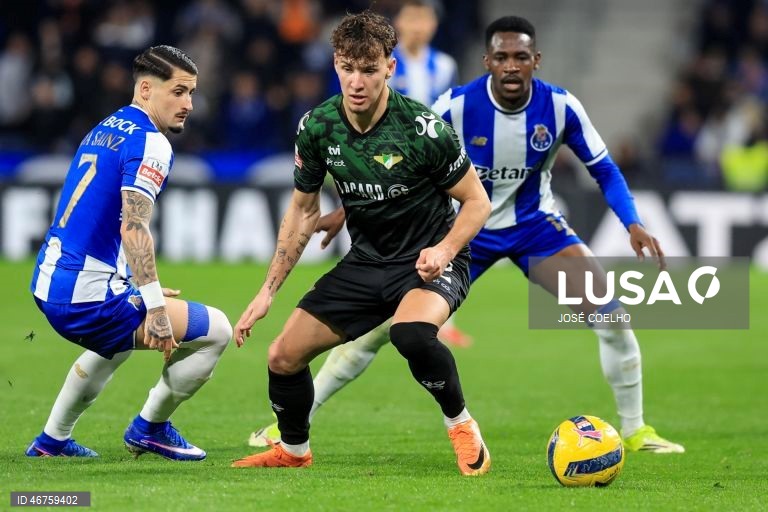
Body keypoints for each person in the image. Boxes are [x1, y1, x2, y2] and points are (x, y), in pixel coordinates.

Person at [250, 15, 685, 455]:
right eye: (501, 57)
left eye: (520, 57)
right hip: (461, 232)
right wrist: (347, 208)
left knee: (611, 315)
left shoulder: (561, 107)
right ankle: (287, 424)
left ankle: (635, 430)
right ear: (487, 62)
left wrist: (631, 222)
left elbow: (604, 168)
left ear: (535, 60)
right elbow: (393, 162)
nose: (511, 66)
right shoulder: (454, 106)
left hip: (535, 228)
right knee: (380, 334)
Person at [232, 11, 493, 476]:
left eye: (369, 69)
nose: (357, 81)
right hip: (366, 263)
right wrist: (267, 291)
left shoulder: (421, 129)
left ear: (389, 68)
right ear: (335, 64)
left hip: (426, 263)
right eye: (348, 68)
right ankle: (294, 451)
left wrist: (445, 250)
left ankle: (462, 425)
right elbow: (302, 211)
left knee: (410, 334)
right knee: (282, 357)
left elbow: (477, 201)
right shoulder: (317, 127)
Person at [25, 45, 232, 461]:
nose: (189, 104)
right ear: (144, 89)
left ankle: (52, 441)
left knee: (115, 343)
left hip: (50, 279)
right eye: (178, 91)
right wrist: (154, 308)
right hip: (84, 295)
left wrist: (138, 290)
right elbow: (133, 226)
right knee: (217, 331)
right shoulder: (151, 142)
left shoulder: (106, 126)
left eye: (192, 92)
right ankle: (150, 428)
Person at [391, 0, 470, 347]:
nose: (418, 25)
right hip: (390, 162)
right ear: (399, 22)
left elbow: (452, 114)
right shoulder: (385, 61)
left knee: (443, 235)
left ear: (433, 25)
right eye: (412, 18)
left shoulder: (445, 65)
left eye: (424, 19)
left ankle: (443, 319)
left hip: (434, 164)